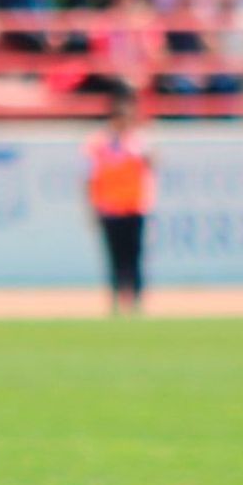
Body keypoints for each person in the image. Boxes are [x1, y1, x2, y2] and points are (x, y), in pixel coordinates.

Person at [85, 88, 154, 315]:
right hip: (110, 208)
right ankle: (115, 300)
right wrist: (92, 208)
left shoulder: (137, 142)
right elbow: (90, 177)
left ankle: (135, 301)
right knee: (114, 257)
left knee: (134, 256)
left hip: (134, 207)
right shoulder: (100, 144)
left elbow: (152, 164)